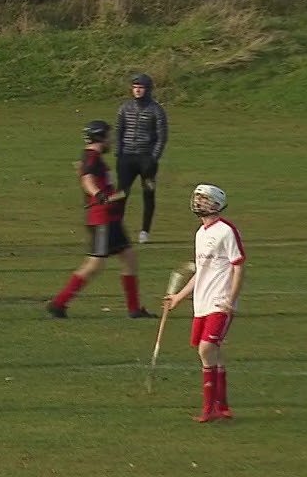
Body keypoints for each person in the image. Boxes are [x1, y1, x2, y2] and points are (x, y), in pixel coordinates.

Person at [47, 120, 154, 320]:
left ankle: (134, 309)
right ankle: (59, 303)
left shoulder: (92, 157)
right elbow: (87, 180)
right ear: (99, 137)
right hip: (102, 219)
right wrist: (98, 195)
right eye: (108, 136)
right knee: (94, 264)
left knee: (129, 257)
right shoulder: (92, 158)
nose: (110, 140)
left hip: (110, 218)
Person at [164, 184, 246, 423]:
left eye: (204, 199)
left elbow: (238, 266)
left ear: (216, 204)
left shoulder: (226, 231)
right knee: (213, 353)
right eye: (197, 198)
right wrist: (178, 297)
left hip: (220, 301)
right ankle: (222, 406)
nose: (198, 202)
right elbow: (201, 271)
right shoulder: (200, 234)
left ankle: (209, 408)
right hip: (202, 302)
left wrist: (231, 300)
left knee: (206, 349)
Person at [115, 73, 168, 244]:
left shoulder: (156, 110)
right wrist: (119, 153)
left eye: (141, 87)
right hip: (127, 158)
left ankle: (145, 231)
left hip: (146, 159)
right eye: (135, 87)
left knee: (148, 193)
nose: (137, 90)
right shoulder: (125, 108)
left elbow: (162, 136)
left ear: (148, 89)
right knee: (121, 193)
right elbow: (119, 131)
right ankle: (117, 228)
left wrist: (153, 157)